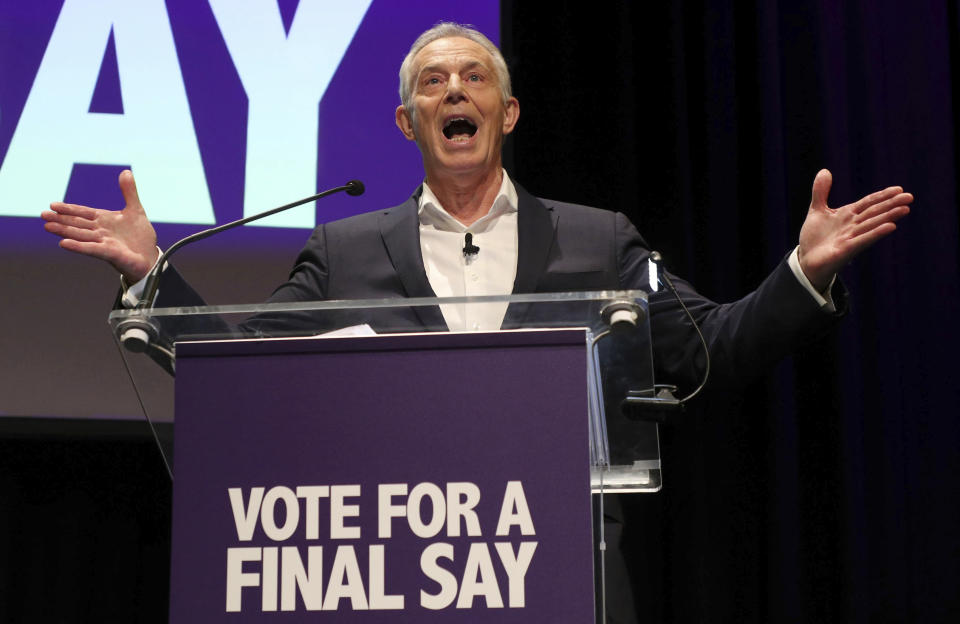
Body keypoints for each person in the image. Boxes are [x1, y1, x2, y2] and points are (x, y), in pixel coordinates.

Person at [41, 21, 913, 623]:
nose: (454, 90)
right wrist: (155, 275)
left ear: (507, 113)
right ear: (407, 121)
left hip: (557, 569)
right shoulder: (344, 251)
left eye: (474, 79)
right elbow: (248, 375)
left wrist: (802, 273)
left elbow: (710, 349)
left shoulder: (596, 240)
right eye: (432, 82)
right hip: (386, 575)